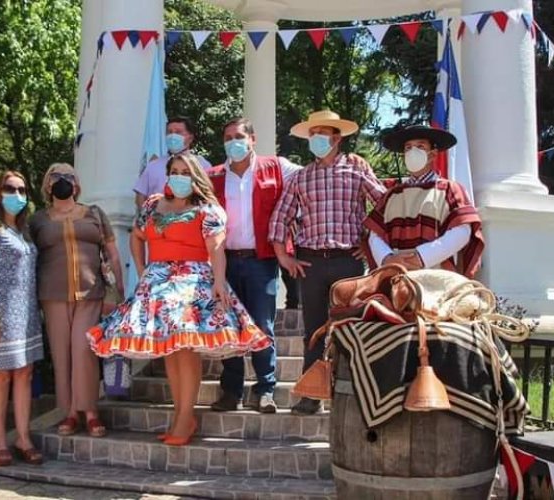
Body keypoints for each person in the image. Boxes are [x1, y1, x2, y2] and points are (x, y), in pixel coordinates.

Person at [86, 152, 270, 446]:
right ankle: (179, 414)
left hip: (192, 283)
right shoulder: (151, 204)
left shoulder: (207, 208)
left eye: (185, 171)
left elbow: (217, 249)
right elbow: (136, 236)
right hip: (158, 284)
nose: (179, 175)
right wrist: (144, 269)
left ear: (195, 175)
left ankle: (186, 416)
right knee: (170, 350)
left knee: (186, 349)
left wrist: (220, 282)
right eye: (174, 170)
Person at [268, 110, 386, 415]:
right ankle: (311, 394)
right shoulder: (300, 177)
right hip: (310, 263)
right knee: (314, 331)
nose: (316, 140)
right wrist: (284, 256)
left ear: (336, 138)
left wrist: (370, 243)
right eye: (313, 134)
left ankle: (351, 393)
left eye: (322, 134)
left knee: (349, 328)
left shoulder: (357, 171)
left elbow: (384, 205)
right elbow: (280, 217)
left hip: (348, 261)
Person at [207, 118, 301, 414]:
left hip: (262, 261)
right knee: (229, 326)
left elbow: (310, 180)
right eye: (227, 137)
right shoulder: (214, 176)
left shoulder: (276, 167)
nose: (232, 141)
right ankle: (231, 391)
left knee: (263, 326)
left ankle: (265, 390)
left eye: (238, 136)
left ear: (252, 139)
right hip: (226, 262)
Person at [29, 163, 124, 438]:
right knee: (62, 354)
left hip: (91, 293)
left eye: (68, 176)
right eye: (56, 177)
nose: (62, 180)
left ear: (77, 183)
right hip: (53, 295)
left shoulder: (94, 214)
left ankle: (91, 412)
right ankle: (69, 412)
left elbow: (113, 254)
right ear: (48, 185)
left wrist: (117, 291)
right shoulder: (38, 221)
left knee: (83, 351)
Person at [0, 170, 44, 466]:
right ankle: (0, 441)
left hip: (26, 315)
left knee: (24, 374)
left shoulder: (25, 233)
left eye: (22, 190)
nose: (16, 195)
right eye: (10, 188)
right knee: (0, 376)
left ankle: (23, 437)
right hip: (0, 313)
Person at [364, 124, 484, 276]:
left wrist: (422, 256)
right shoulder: (391, 195)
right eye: (408, 147)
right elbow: (375, 234)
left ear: (433, 154)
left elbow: (462, 231)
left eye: (420, 146)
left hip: (437, 275)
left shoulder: (449, 189)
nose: (413, 151)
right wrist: (388, 259)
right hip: (395, 275)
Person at [133, 116, 211, 207]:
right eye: (169, 132)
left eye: (178, 132)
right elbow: (140, 196)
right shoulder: (153, 165)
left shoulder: (202, 165)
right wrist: (148, 215)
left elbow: (208, 195)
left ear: (190, 138)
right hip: (157, 218)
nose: (173, 136)